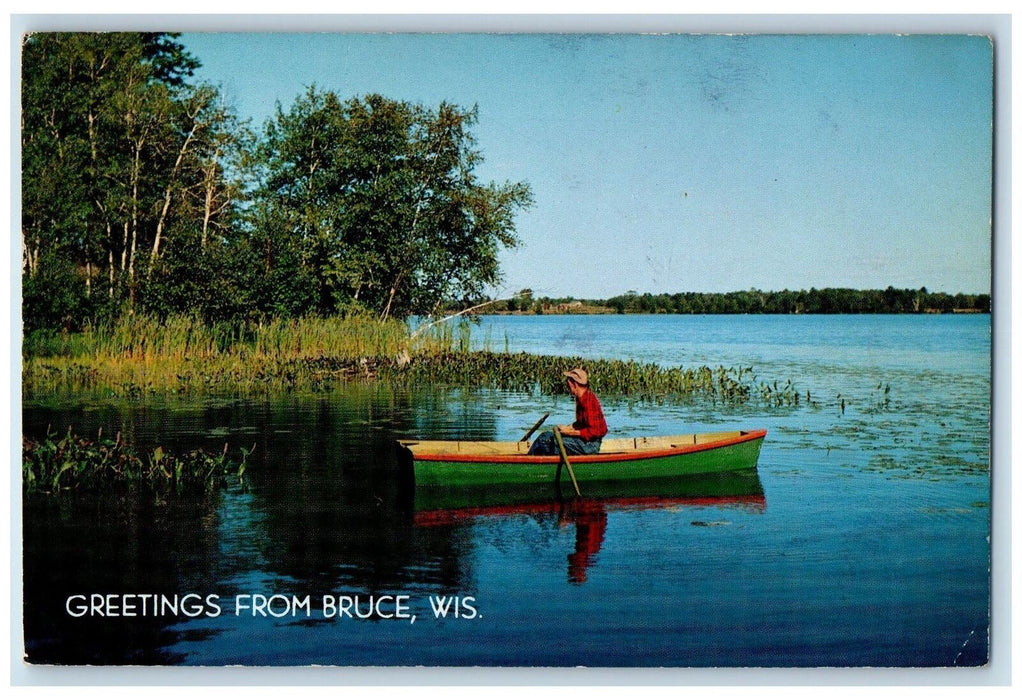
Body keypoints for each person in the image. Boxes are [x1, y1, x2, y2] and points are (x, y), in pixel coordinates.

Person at [528, 368, 608, 456]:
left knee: (545, 440)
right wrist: (568, 427)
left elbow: (596, 431)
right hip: (585, 442)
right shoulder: (581, 398)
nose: (567, 386)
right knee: (545, 436)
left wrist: (568, 432)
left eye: (568, 383)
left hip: (590, 446)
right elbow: (582, 424)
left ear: (574, 384)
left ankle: (528, 463)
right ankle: (536, 461)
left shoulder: (588, 401)